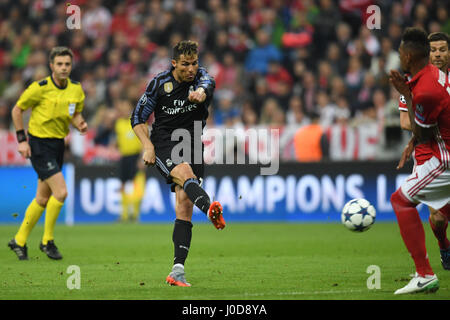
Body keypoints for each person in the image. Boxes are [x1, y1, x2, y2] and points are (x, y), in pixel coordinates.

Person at [131, 40, 225, 287]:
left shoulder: (204, 79)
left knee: (183, 205)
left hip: (193, 142)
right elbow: (137, 117)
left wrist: (200, 94)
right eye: (185, 64)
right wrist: (148, 146)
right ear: (174, 63)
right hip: (164, 142)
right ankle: (209, 208)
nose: (191, 69)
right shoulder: (160, 84)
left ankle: (177, 270)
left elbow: (206, 86)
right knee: (184, 173)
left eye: (194, 63)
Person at [8, 47, 87, 260]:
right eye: (59, 64)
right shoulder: (39, 88)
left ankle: (19, 240)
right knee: (60, 192)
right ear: (51, 66)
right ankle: (47, 241)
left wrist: (79, 123)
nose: (63, 68)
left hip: (58, 144)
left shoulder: (76, 90)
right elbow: (17, 109)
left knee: (42, 198)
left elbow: (74, 112)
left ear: (71, 66)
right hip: (39, 144)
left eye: (67, 64)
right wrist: (22, 141)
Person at [389, 27, 450, 295]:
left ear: (410, 54)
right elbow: (417, 126)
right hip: (434, 151)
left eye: (402, 51)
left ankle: (425, 274)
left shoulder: (423, 89)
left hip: (442, 157)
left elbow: (423, 130)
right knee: (436, 219)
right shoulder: (430, 78)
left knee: (401, 201)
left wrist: (409, 94)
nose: (399, 56)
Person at [114, 100, 146, 222]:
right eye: (121, 108)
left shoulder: (137, 123)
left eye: (126, 108)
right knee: (122, 185)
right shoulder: (118, 124)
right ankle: (124, 215)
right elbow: (119, 140)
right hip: (124, 157)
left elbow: (143, 141)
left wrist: (142, 158)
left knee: (137, 185)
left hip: (135, 156)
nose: (123, 110)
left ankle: (135, 215)